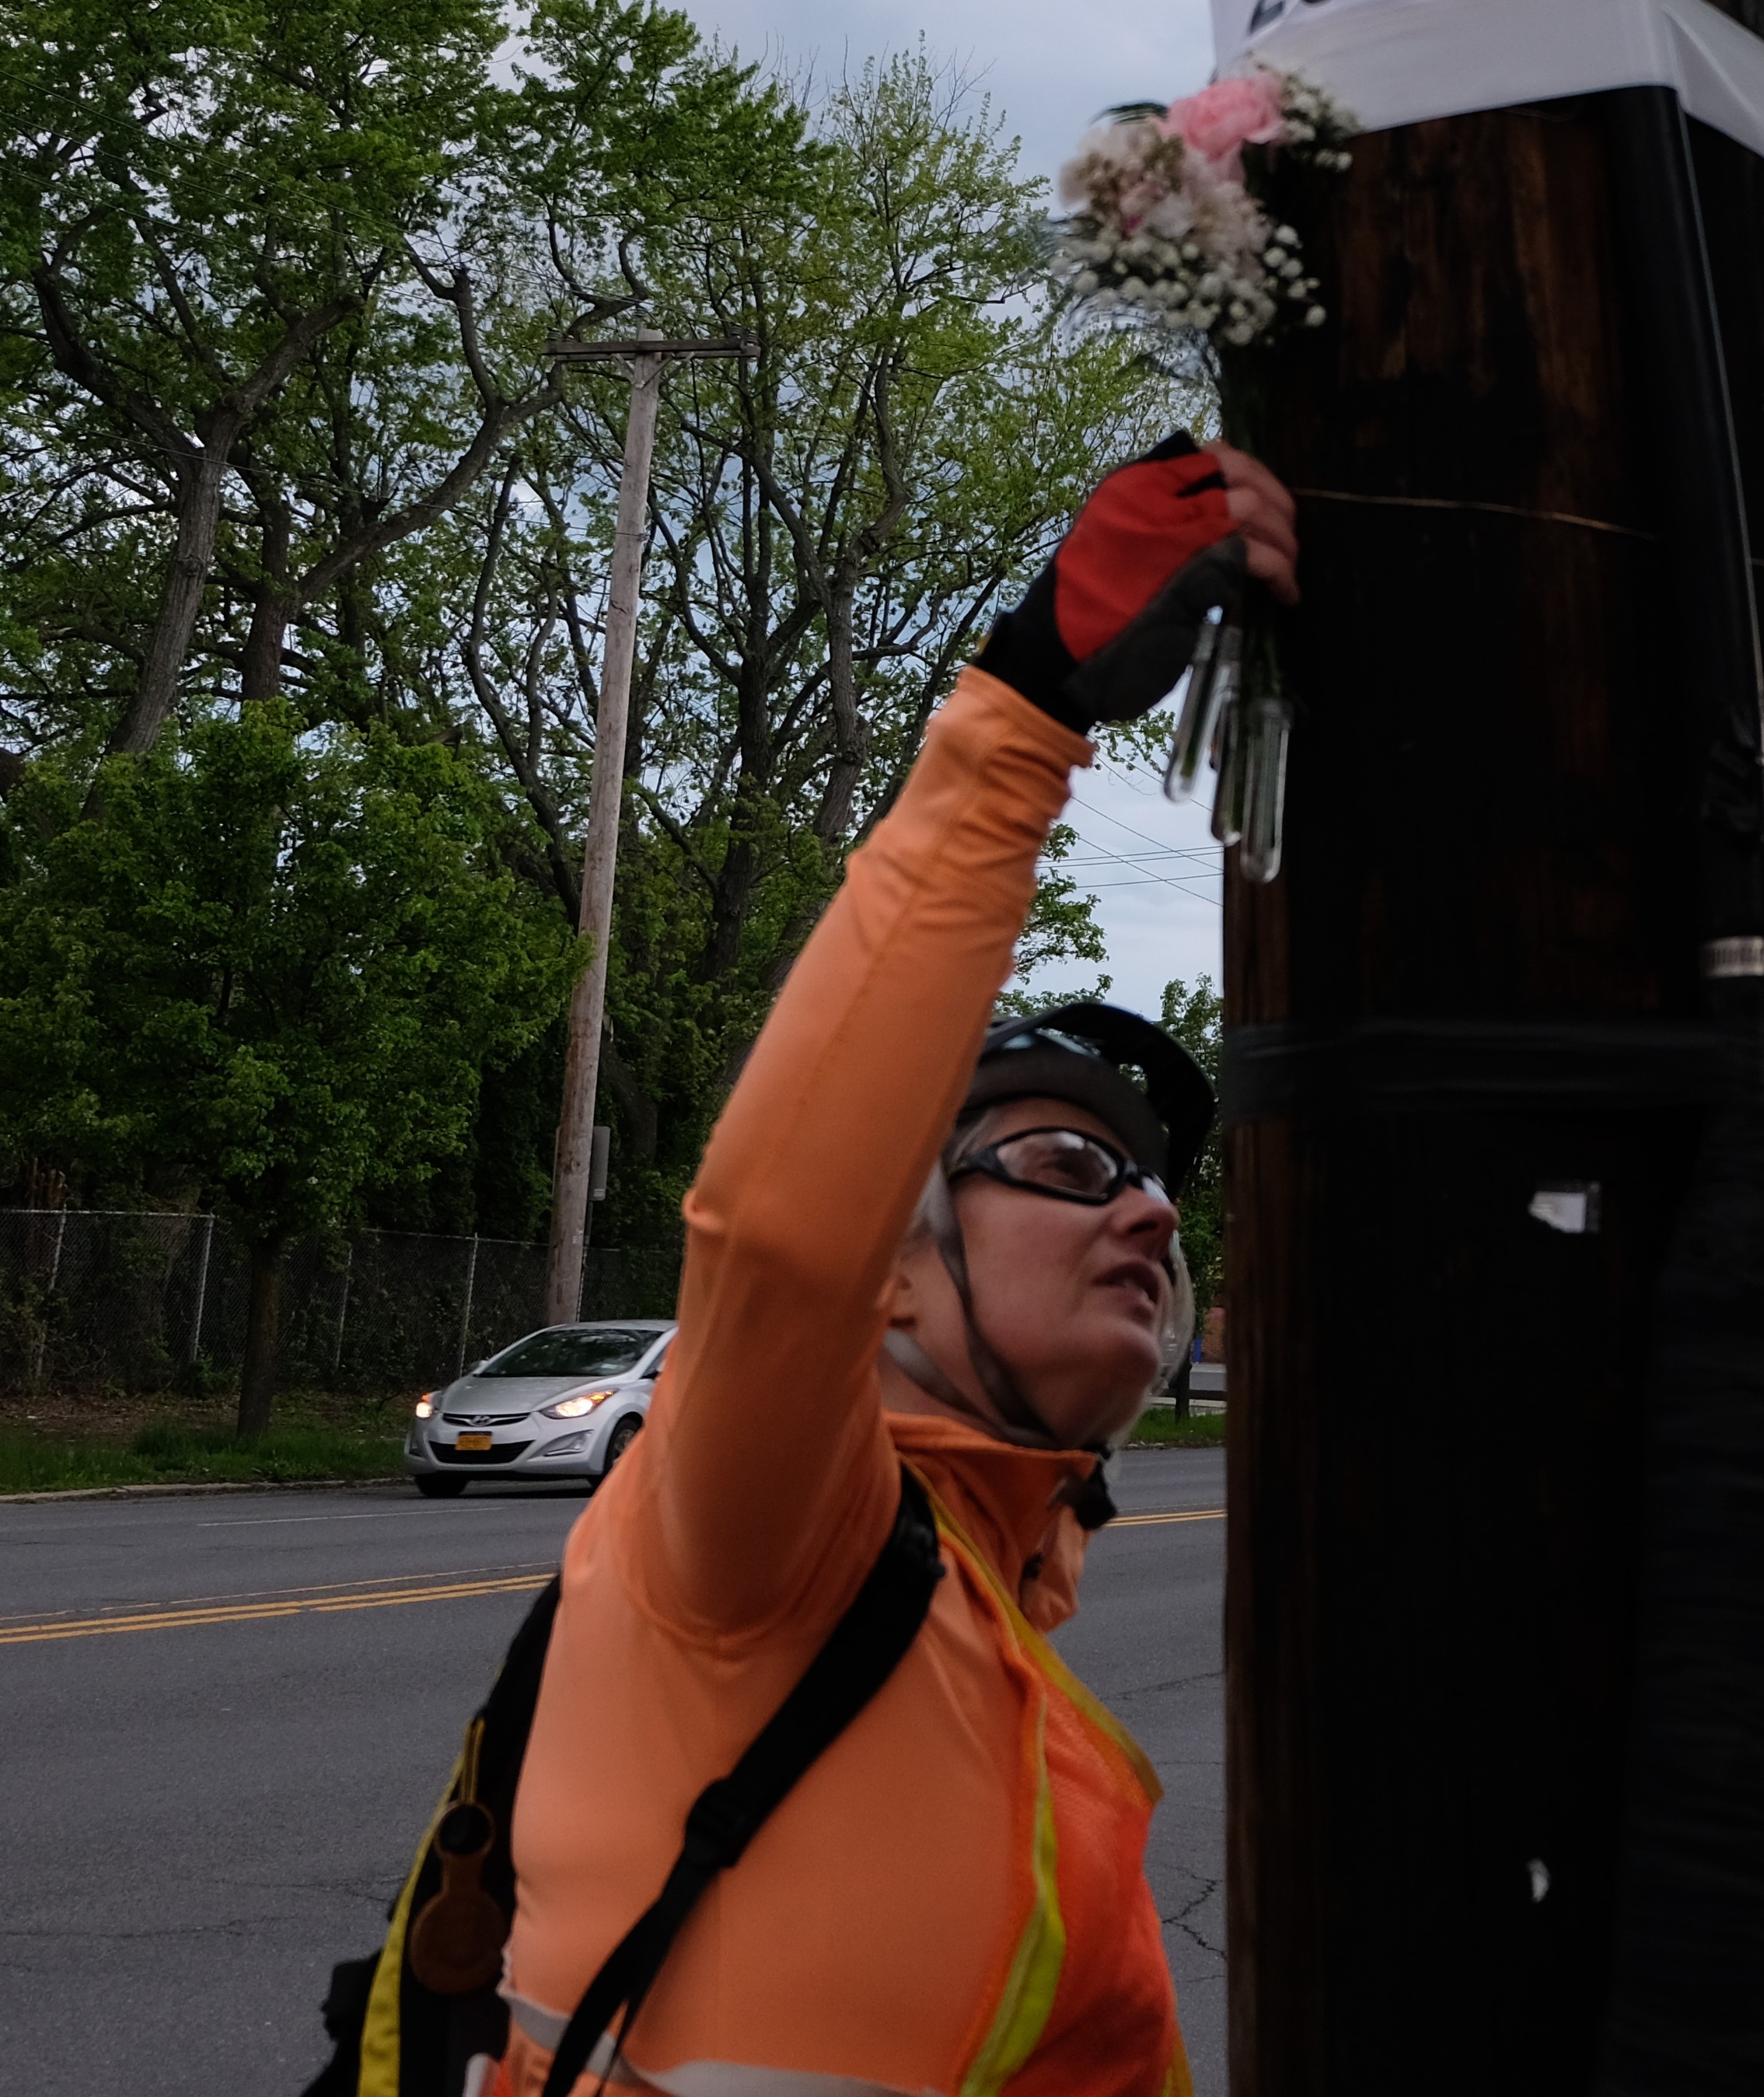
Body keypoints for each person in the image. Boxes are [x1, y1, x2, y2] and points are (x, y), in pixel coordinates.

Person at [487, 435, 1298, 2097]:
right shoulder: (770, 1545)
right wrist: (1023, 715)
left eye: (1154, 1185)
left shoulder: (990, 1625)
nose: (1150, 1216)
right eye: (1066, 1168)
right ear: (896, 1278)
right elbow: (784, 1233)